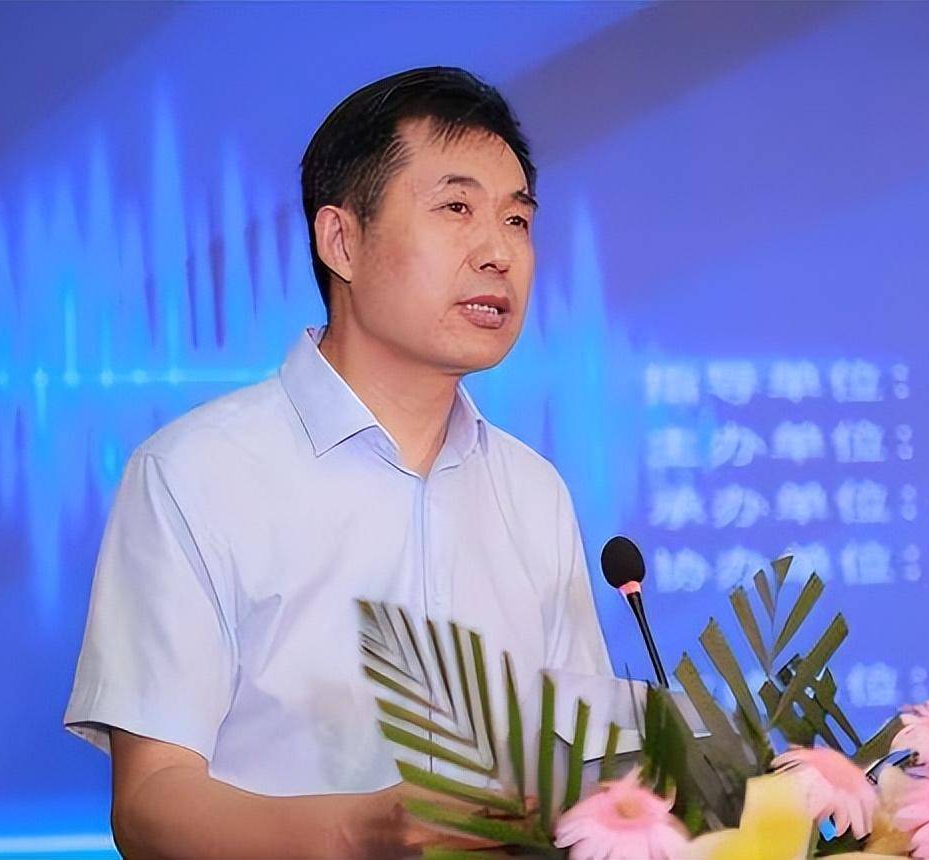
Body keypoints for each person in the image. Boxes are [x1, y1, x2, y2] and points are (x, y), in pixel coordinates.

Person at [63, 66, 614, 858]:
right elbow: (151, 803)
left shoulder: (534, 492)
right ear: (342, 241)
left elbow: (582, 769)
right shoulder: (194, 474)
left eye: (518, 219)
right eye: (456, 209)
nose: (499, 252)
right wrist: (361, 832)